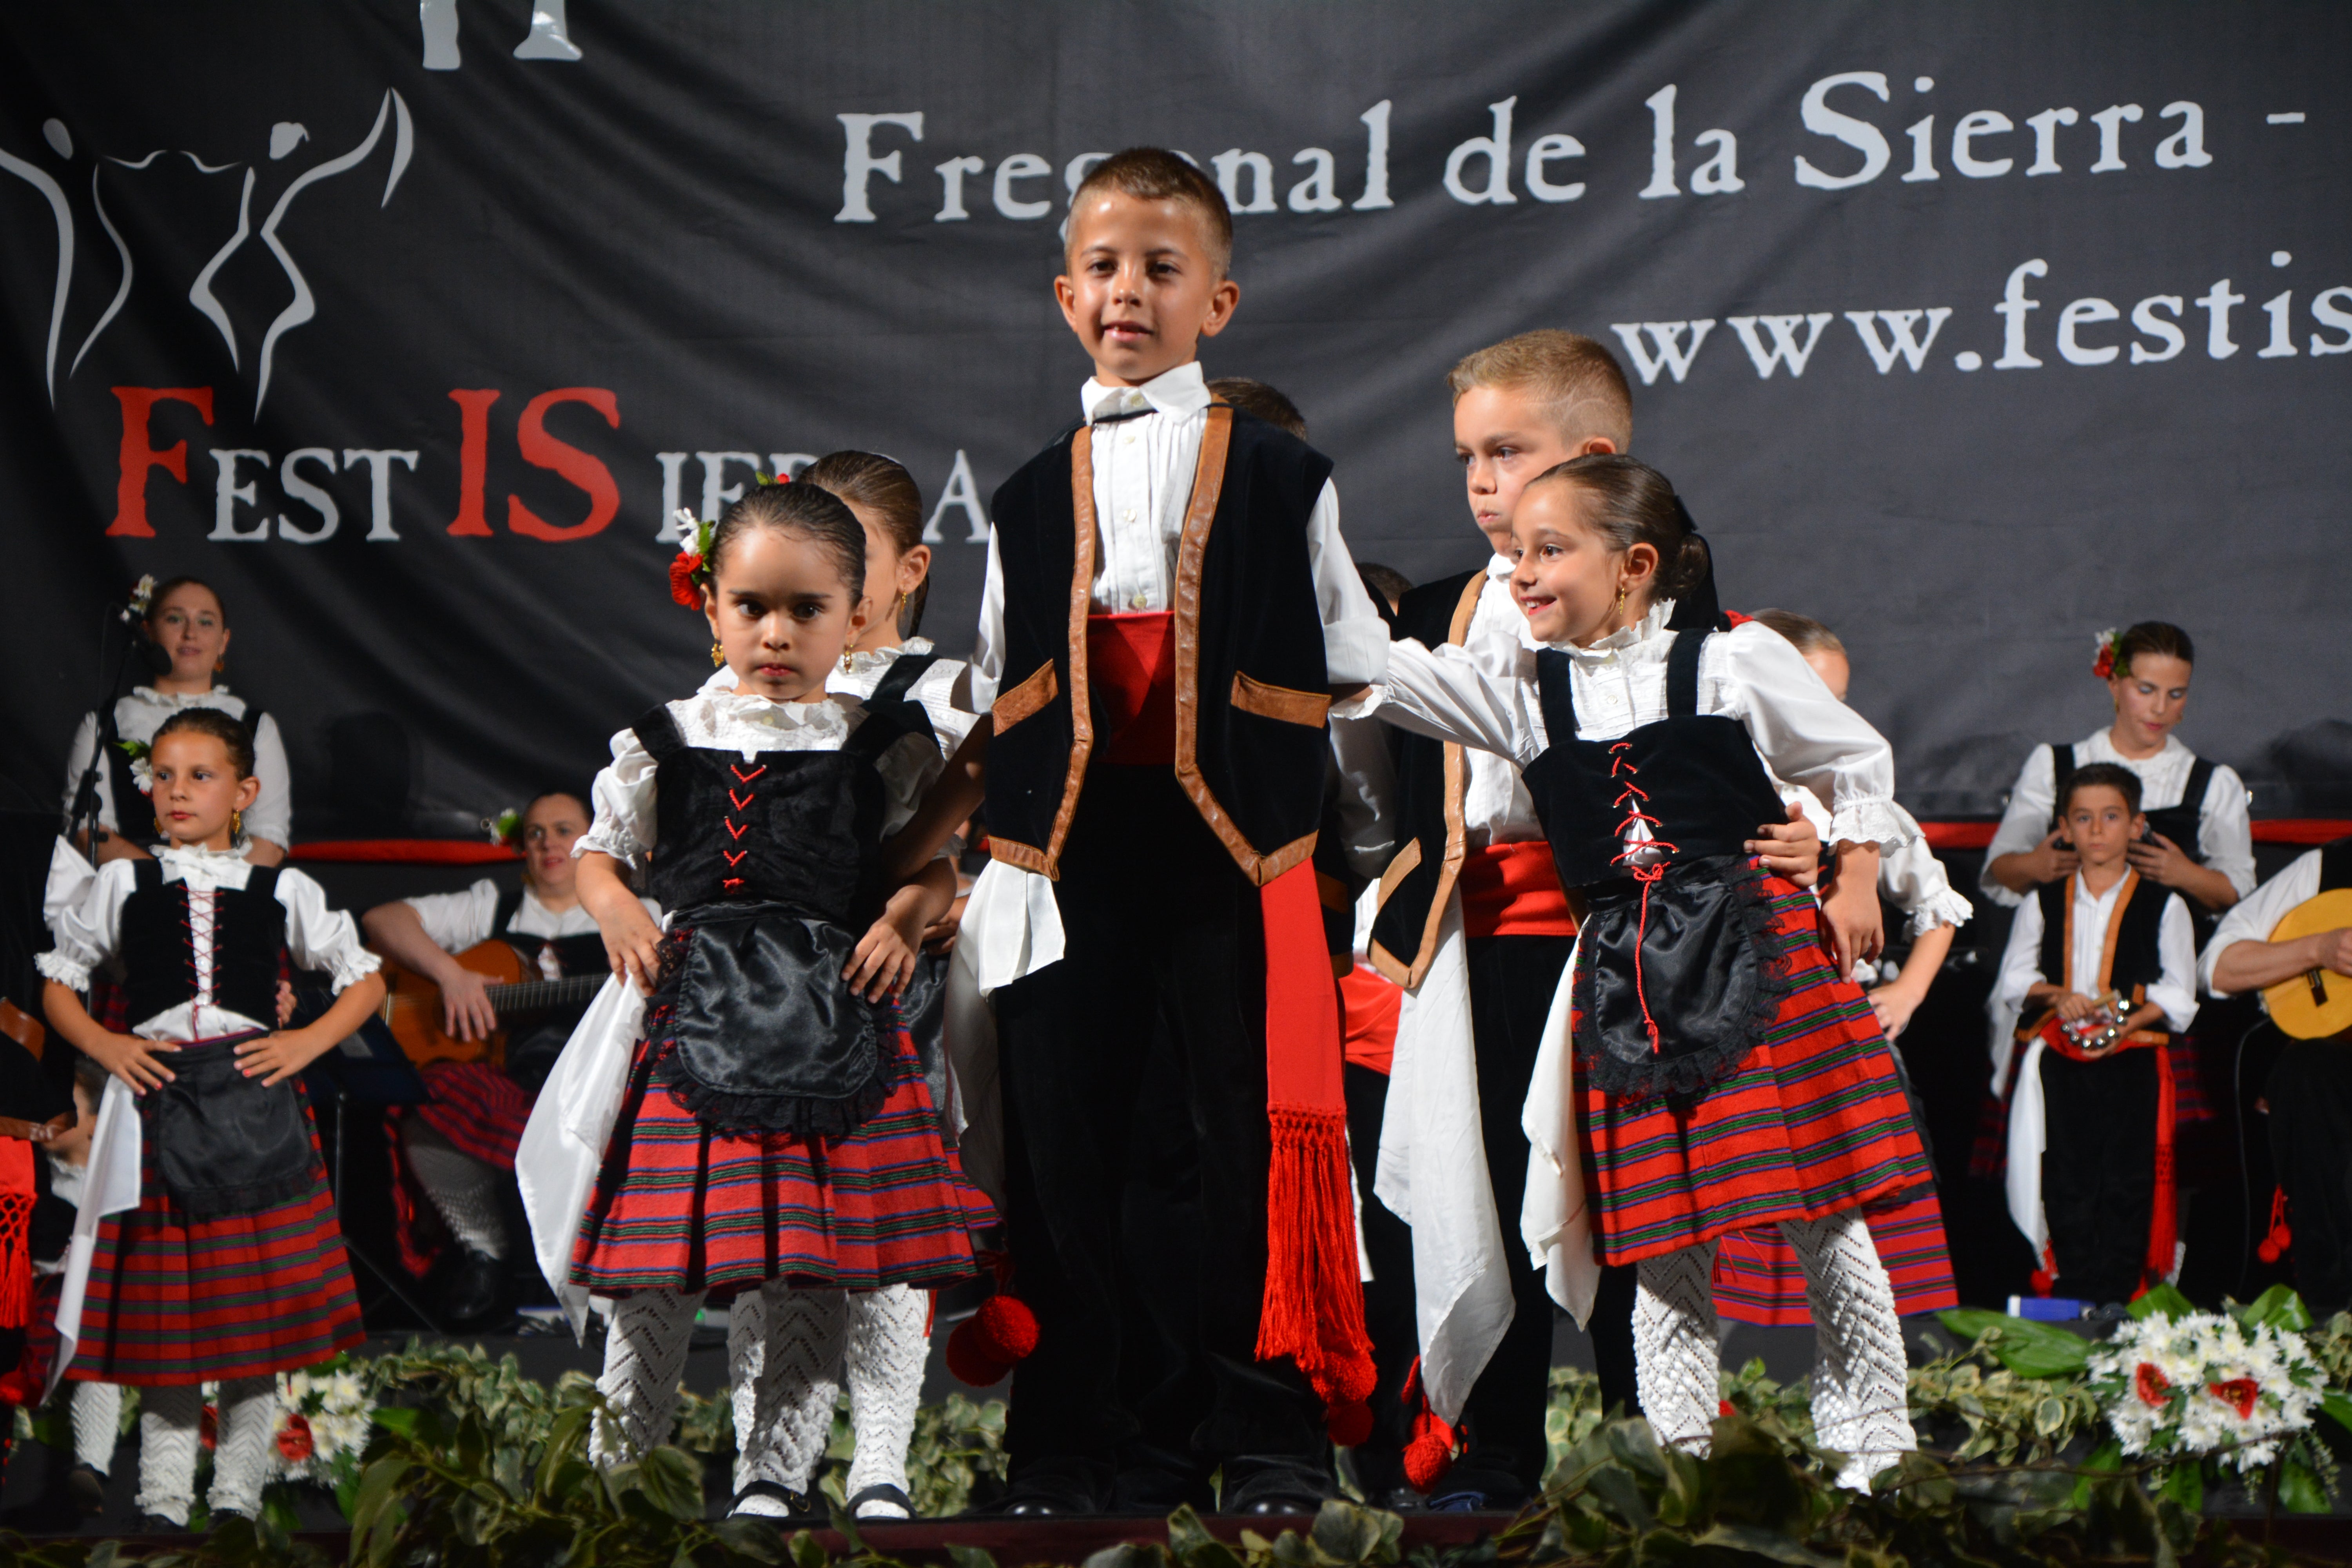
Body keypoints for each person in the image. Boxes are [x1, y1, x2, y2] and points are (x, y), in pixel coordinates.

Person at [958, 148, 1391, 1515]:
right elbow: (996, 683)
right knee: (1072, 1148)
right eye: (1102, 267)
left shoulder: (1280, 474)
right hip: (1072, 850)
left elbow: (1357, 658)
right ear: (1064, 296)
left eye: (1160, 267)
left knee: (1242, 1144)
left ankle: (1263, 1438)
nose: (1127, 291)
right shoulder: (1027, 495)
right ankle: (1079, 1441)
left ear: (1219, 301)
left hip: (1232, 844)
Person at [1361, 454, 1928, 1491]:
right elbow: (1383, 672)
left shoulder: (1729, 662)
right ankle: (1679, 1465)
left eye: (1548, 551)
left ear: (1633, 566)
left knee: (1826, 1214)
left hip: (1760, 955)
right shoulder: (1528, 695)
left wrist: (1853, 871)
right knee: (1666, 1236)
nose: (1520, 572)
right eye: (1516, 552)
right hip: (1629, 980)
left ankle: (1875, 1448)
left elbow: (1853, 762)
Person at [517, 480, 990, 1522]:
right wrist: (617, 909)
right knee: (655, 1268)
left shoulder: (881, 742)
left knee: (809, 1263)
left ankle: (773, 1478)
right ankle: (616, 1480)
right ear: (713, 608)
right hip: (691, 1024)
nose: (776, 633)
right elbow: (600, 852)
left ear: (855, 615)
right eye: (753, 607)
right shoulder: (670, 735)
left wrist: (908, 913)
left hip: (832, 1027)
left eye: (806, 610)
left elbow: (927, 863)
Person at [37, 707, 381, 1530]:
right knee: (172, 1321)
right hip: (159, 1105)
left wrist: (305, 1042)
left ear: (244, 792)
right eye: (163, 776)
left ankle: (235, 1498)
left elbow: (364, 977)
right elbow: (60, 980)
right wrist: (106, 1044)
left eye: (200, 775)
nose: (177, 791)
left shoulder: (280, 887)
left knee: (252, 1324)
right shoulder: (124, 883)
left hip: (255, 1106)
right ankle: (162, 1501)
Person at [806, 448, 982, 1520]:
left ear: (911, 569)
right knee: (787, 1231)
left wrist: (942, 901)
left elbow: (996, 841)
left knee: (886, 1227)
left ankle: (882, 1458)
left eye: (853, 551)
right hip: (779, 995)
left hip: (903, 994)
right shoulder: (760, 689)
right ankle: (776, 1464)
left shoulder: (947, 692)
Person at [1710, 610, 1966, 1329]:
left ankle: (1872, 1365)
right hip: (1743, 1044)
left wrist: (1906, 993)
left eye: (1838, 702)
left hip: (1840, 1045)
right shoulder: (1719, 791)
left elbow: (1937, 902)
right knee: (1754, 1215)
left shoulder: (1858, 808)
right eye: (1811, 697)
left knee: (1862, 1221)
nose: (1827, 717)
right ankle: (1757, 1370)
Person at [361, 789, 644, 1327]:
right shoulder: (490, 905)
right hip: (504, 1081)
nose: (548, 844)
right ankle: (483, 1248)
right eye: (535, 833)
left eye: (564, 831)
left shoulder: (635, 911)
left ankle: (603, 1278)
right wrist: (451, 976)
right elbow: (383, 919)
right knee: (432, 1096)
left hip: (594, 1082)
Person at [1993, 763, 2197, 1305]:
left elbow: (2180, 992)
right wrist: (2057, 995)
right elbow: (2014, 978)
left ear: (2137, 825)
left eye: (2111, 817)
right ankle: (2072, 1293)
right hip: (2061, 1060)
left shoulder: (2165, 904)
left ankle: (2123, 1298)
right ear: (2064, 828)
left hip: (2133, 1059)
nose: (2098, 830)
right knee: (2065, 1172)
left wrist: (2127, 1022)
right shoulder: (2042, 900)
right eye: (2083, 818)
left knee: (2128, 1177)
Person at [1981, 622, 2252, 919]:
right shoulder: (2054, 766)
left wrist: (2185, 875)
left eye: (2176, 694)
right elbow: (2002, 868)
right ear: (2114, 684)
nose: (2160, 708)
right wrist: (2035, 866)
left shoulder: (2214, 784)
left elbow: (2239, 892)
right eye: (2146, 690)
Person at [2200, 838, 2352, 1313]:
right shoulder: (2330, 865)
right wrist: (2319, 948)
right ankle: (2330, 1313)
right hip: (2338, 1075)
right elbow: (2218, 967)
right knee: (2305, 1069)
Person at [60, 577, 291, 867]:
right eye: (175, 619)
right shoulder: (105, 724)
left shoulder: (255, 726)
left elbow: (268, 837)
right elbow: (90, 833)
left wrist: (221, 889)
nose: (190, 633)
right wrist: (167, 887)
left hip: (231, 887)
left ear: (223, 641)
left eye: (205, 622)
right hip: (133, 885)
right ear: (147, 632)